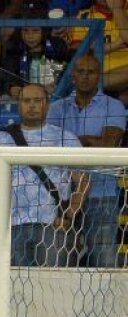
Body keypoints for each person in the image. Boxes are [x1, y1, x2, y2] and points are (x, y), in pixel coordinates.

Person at [0, 83, 88, 268]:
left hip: (53, 224)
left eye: (37, 100)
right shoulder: (2, 138)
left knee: (51, 286)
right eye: (27, 101)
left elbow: (82, 180)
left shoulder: (65, 138)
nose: (32, 105)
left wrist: (70, 213)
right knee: (15, 287)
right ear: (19, 105)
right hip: (12, 225)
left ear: (47, 105)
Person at [46, 53, 126, 268]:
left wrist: (71, 142)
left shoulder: (114, 106)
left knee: (104, 260)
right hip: (60, 195)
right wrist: (90, 141)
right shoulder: (55, 108)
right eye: (80, 71)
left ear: (98, 75)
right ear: (72, 75)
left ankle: (107, 303)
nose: (85, 76)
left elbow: (108, 145)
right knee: (57, 259)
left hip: (101, 193)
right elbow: (48, 146)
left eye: (90, 72)